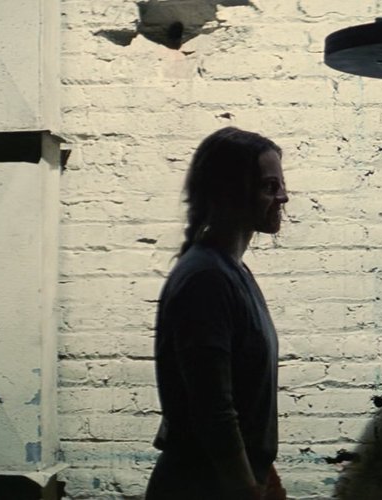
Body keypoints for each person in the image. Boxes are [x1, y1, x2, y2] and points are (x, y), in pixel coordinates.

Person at [146, 127, 289, 500]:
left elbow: (245, 400)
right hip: (204, 488)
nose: (283, 197)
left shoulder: (231, 271)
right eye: (270, 186)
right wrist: (246, 489)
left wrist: (266, 474)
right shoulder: (207, 279)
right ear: (231, 193)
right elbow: (213, 409)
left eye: (281, 184)